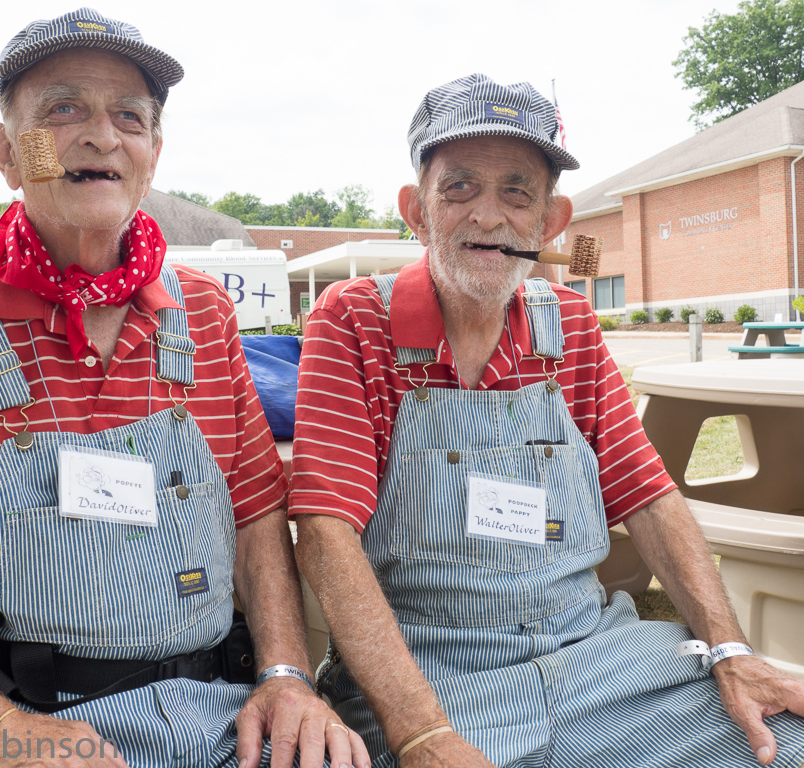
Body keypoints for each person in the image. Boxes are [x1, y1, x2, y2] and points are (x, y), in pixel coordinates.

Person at [0, 9, 368, 768]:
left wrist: (285, 677)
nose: (102, 135)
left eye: (131, 117)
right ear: (6, 154)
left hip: (208, 721)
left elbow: (257, 518)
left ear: (152, 153)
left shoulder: (205, 315)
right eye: (63, 110)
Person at [290, 73, 804, 768]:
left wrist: (731, 648)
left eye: (516, 192)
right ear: (417, 211)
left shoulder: (572, 326)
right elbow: (325, 533)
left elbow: (648, 498)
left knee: (785, 745)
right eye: (460, 188)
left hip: (600, 662)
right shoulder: (354, 320)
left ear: (549, 223)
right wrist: (421, 734)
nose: (488, 216)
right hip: (431, 678)